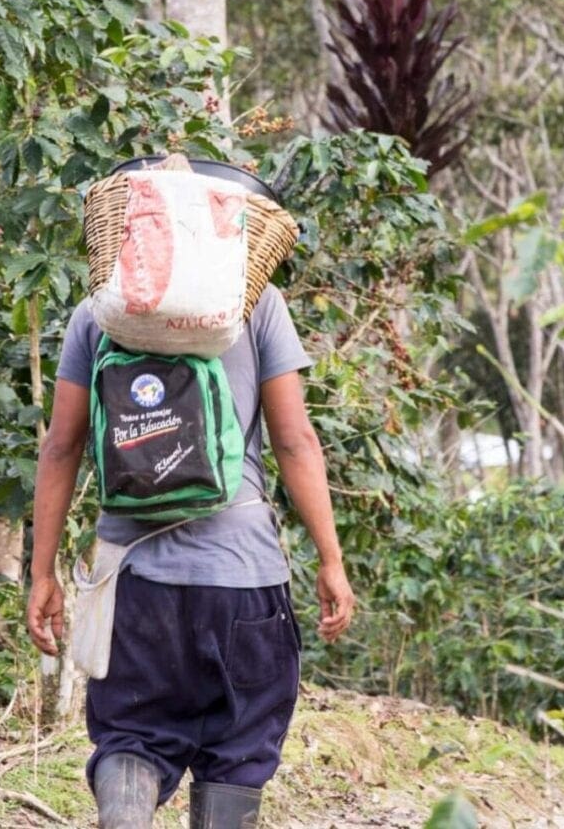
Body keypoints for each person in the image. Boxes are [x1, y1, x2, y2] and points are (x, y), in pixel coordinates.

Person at [27, 281, 355, 829]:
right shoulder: (255, 301)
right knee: (238, 750)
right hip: (242, 575)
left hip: (133, 579)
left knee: (132, 736)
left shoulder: (102, 305)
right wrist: (331, 559)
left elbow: (61, 444)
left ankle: (126, 816)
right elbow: (294, 438)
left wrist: (43, 572)